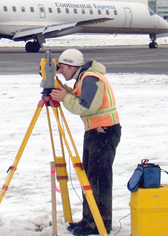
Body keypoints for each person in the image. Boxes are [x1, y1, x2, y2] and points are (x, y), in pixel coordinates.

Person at [50, 48, 121, 236]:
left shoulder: (91, 78)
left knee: (98, 179)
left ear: (72, 66)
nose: (61, 72)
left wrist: (64, 98)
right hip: (95, 132)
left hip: (104, 133)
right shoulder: (83, 79)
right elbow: (79, 97)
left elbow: (86, 106)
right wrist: (59, 88)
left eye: (62, 68)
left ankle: (100, 224)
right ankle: (89, 220)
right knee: (89, 178)